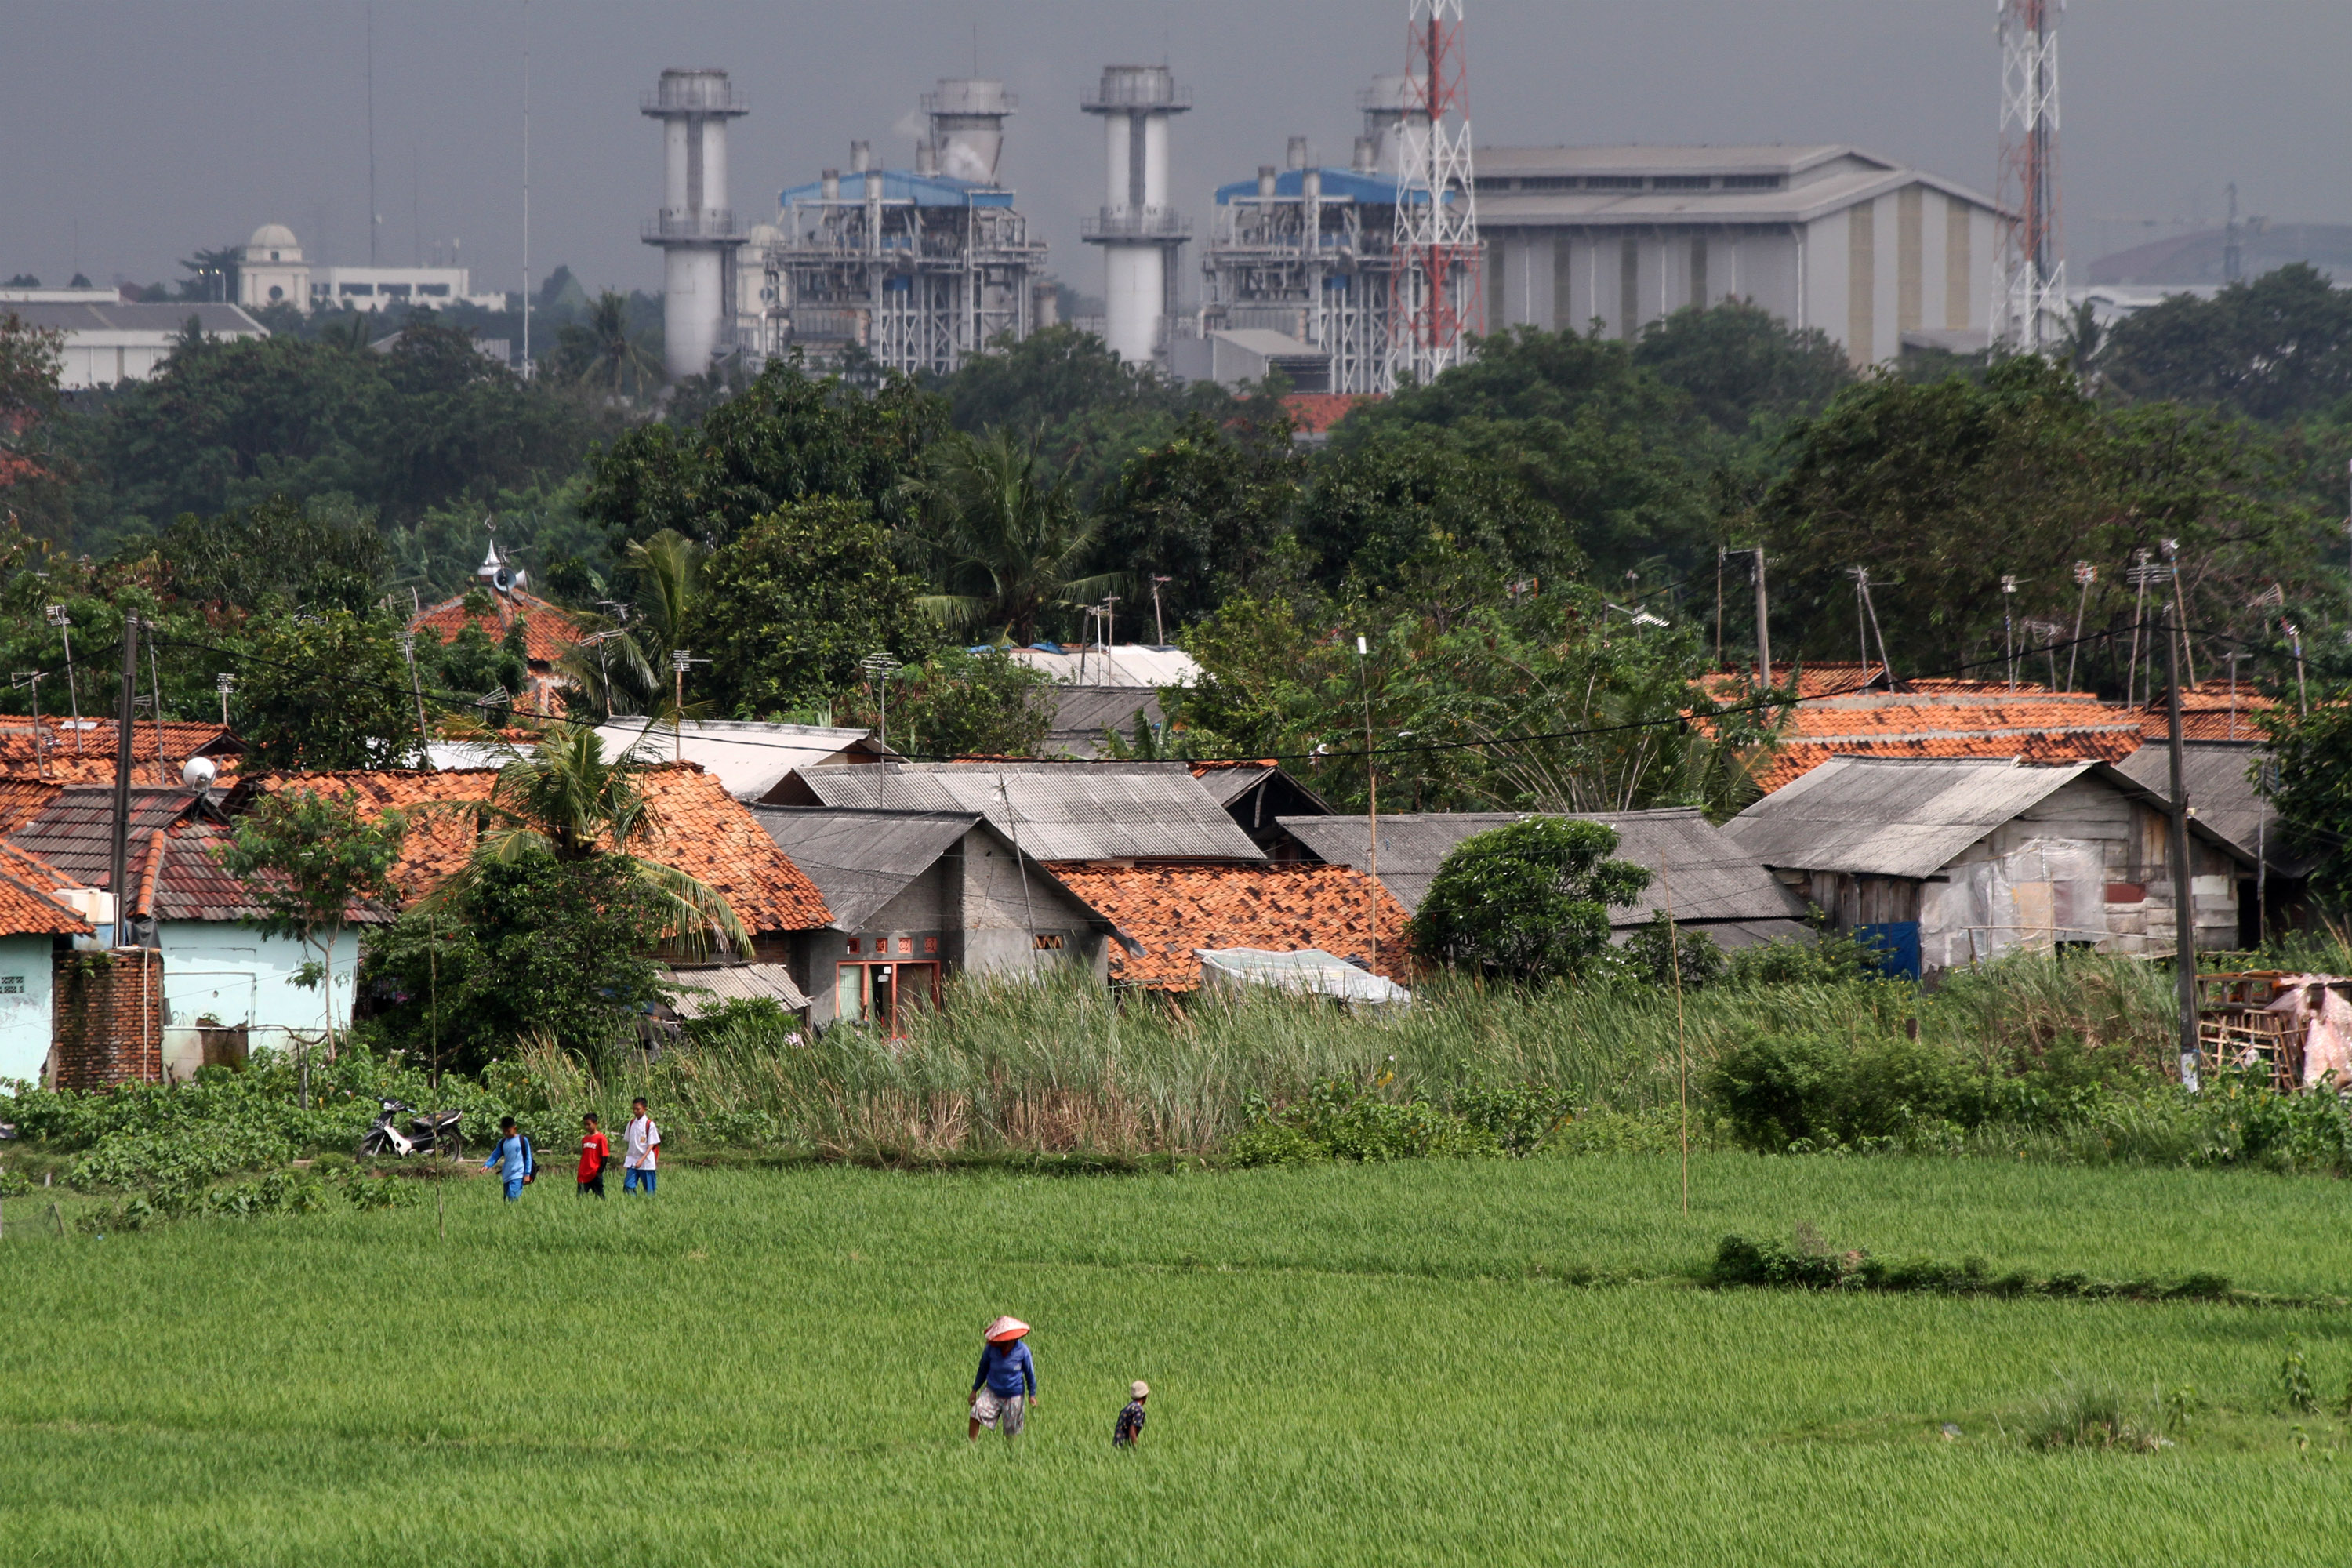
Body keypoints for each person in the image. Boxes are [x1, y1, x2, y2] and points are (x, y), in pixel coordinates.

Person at [967, 1316, 1036, 1441]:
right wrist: (974, 1390)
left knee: (1011, 1431)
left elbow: (1029, 1373)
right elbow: (983, 1369)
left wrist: (1032, 1395)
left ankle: (1011, 1455)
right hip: (992, 1392)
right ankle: (971, 1448)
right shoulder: (991, 1349)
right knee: (975, 1413)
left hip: (1014, 1395)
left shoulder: (1023, 1351)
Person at [483, 1116, 534, 1202]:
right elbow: (495, 1155)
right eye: (504, 1131)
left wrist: (527, 1174)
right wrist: (487, 1165)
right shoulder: (503, 1142)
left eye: (508, 1131)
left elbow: (528, 1158)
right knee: (506, 1199)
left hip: (518, 1174)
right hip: (507, 1175)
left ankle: (515, 1214)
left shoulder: (522, 1140)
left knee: (512, 1197)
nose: (506, 1133)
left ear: (515, 1128)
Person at [622, 1098, 660, 1195]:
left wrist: (642, 1159)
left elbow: (651, 1144)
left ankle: (649, 1207)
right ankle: (632, 1205)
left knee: (649, 1190)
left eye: (638, 1109)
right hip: (633, 1160)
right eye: (634, 1109)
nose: (635, 1111)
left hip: (646, 1161)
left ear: (645, 1109)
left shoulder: (649, 1124)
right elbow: (629, 1140)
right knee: (628, 1186)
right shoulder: (631, 1124)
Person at [577, 1112, 610, 1199]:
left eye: (589, 1124)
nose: (586, 1127)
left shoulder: (601, 1138)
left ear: (595, 1124)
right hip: (584, 1173)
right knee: (580, 1197)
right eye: (585, 1125)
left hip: (595, 1172)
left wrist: (600, 1171)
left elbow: (605, 1156)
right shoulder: (585, 1139)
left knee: (600, 1197)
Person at [1113, 1381, 1148, 1449]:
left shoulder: (1128, 1407)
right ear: (1145, 1397)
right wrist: (1136, 1447)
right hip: (1125, 1447)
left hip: (1117, 1444)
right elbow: (1132, 1430)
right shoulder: (1138, 1410)